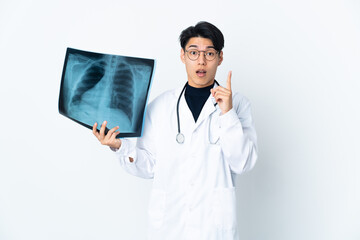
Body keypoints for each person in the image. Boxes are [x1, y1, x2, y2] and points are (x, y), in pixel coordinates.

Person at [92, 21, 258, 240]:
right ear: (182, 56)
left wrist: (227, 114)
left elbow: (243, 163)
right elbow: (149, 166)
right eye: (193, 52)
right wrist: (120, 147)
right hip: (169, 227)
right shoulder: (162, 106)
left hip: (214, 229)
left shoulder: (237, 104)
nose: (201, 61)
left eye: (209, 53)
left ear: (220, 57)